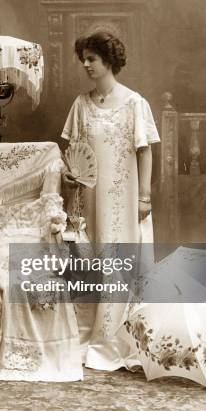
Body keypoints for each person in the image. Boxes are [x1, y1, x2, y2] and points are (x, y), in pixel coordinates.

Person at [61, 30, 160, 371]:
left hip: (124, 196)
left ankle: (116, 340)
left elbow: (144, 151)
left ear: (108, 61)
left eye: (92, 59)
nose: (86, 65)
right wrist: (71, 179)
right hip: (88, 199)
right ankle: (88, 336)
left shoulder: (135, 103)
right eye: (83, 59)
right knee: (91, 261)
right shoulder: (81, 104)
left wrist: (144, 196)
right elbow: (72, 152)